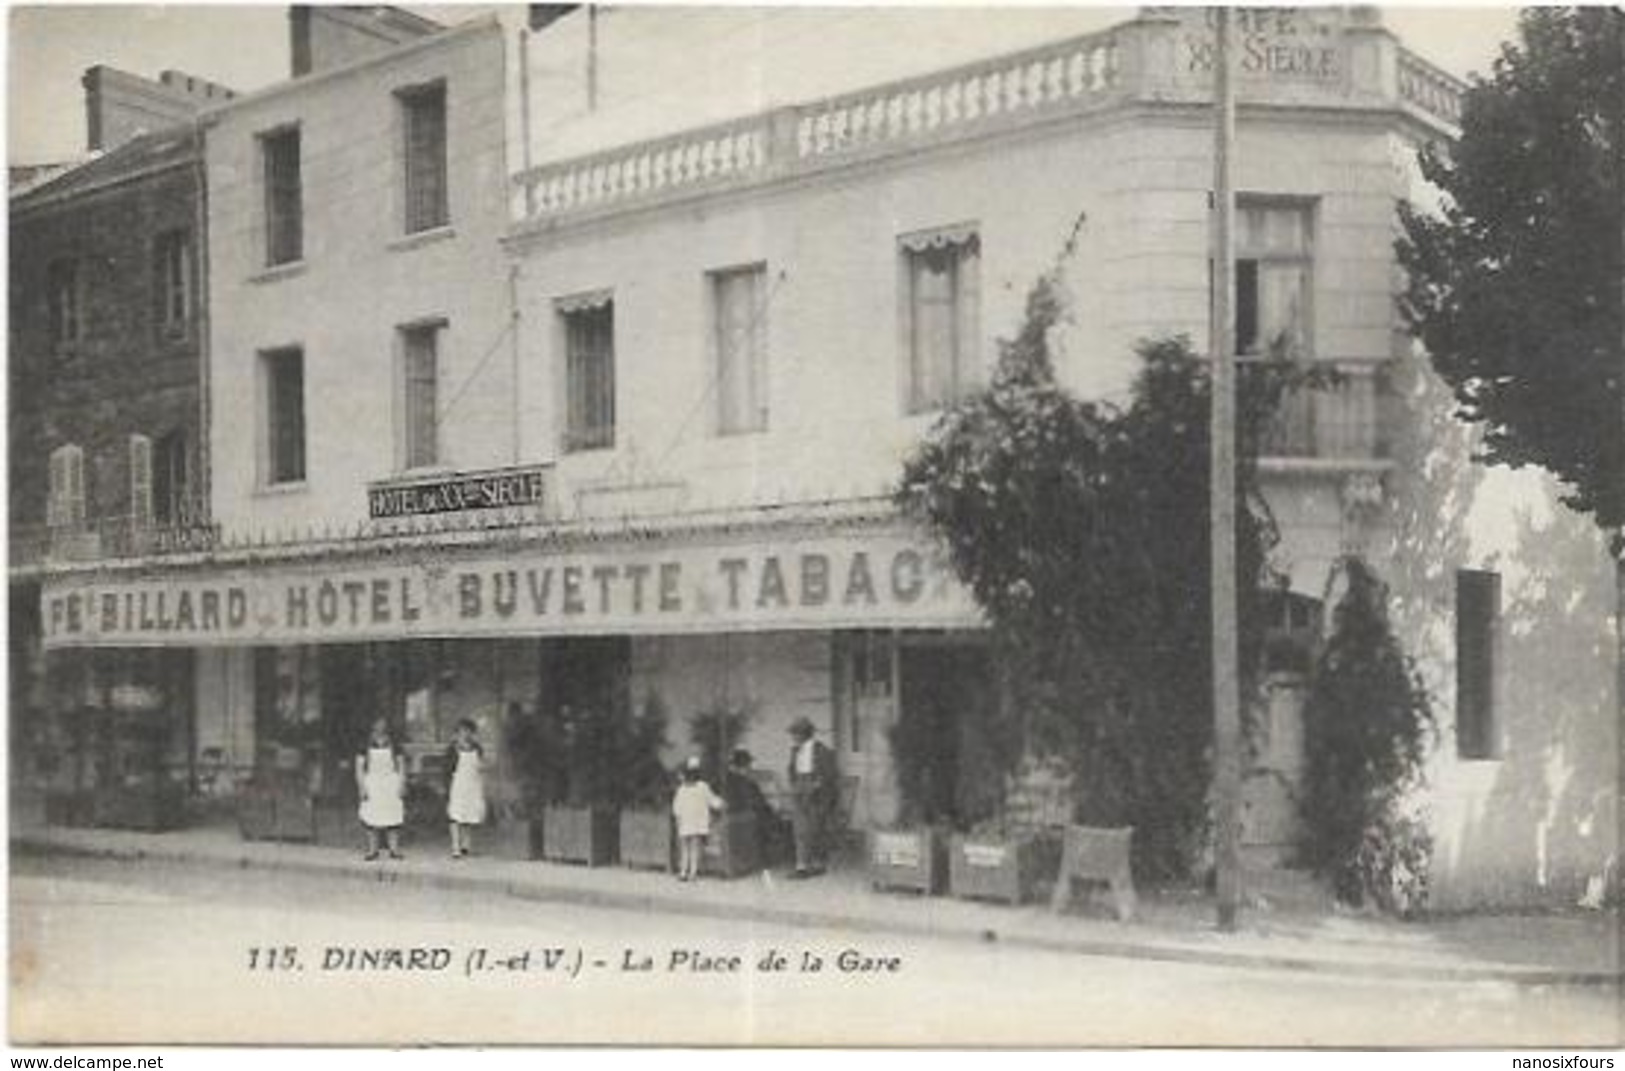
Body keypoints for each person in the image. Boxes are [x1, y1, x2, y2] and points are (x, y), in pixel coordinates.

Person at [785, 717, 836, 878]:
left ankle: (817, 863)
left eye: (796, 733)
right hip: (799, 789)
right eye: (793, 734)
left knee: (814, 828)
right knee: (799, 828)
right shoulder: (795, 750)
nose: (793, 737)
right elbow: (791, 770)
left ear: (805, 734)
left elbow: (830, 774)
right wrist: (794, 785)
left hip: (817, 792)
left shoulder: (822, 750)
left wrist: (816, 786)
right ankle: (801, 866)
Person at [721, 747, 783, 864]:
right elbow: (751, 800)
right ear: (742, 765)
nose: (749, 768)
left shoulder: (735, 778)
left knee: (768, 816)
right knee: (768, 819)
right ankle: (765, 854)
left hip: (741, 809)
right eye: (747, 765)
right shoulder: (740, 780)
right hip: (743, 811)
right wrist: (768, 808)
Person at [356, 717, 406, 861]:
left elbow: (401, 766)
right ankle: (373, 850)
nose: (380, 728)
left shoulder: (395, 745)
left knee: (393, 817)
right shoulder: (364, 745)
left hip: (391, 782)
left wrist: (402, 784)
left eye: (383, 725)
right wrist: (362, 787)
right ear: (372, 727)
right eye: (377, 725)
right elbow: (359, 768)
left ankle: (394, 849)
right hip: (372, 783)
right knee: (371, 816)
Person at [671, 756, 725, 882]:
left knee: (684, 849)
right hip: (697, 823)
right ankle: (693, 873)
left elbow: (676, 807)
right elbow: (713, 801)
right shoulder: (703, 787)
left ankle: (683, 872)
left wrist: (678, 821)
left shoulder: (682, 789)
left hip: (684, 823)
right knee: (695, 849)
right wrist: (722, 803)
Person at [444, 718, 487, 859]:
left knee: (469, 815)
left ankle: (466, 846)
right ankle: (455, 847)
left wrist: (482, 771)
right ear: (457, 732)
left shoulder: (478, 748)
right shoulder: (452, 749)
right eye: (462, 731)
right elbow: (446, 769)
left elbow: (481, 766)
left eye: (468, 731)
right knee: (456, 815)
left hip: (473, 784)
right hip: (458, 784)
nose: (465, 734)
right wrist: (445, 786)